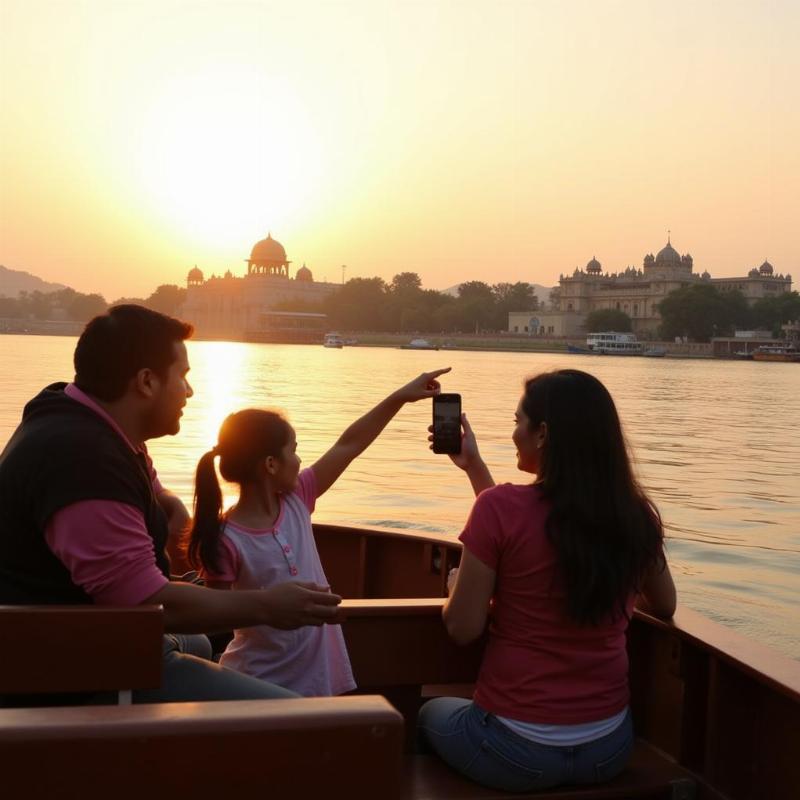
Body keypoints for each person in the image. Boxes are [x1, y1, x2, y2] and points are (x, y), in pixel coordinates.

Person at [0, 304, 342, 705]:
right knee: (310, 722)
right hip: (82, 670)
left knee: (197, 642)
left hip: (90, 638)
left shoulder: (83, 418)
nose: (190, 391)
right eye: (182, 377)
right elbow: (146, 602)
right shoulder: (81, 461)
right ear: (146, 382)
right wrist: (269, 605)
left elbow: (139, 484)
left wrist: (165, 501)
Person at [417, 369, 676, 793]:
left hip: (512, 752)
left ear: (543, 435)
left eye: (518, 422)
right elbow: (664, 606)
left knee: (427, 714)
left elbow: (463, 629)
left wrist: (456, 587)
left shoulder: (499, 509)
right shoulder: (634, 516)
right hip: (608, 750)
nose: (514, 433)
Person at [188, 368, 451, 696]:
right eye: (294, 449)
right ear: (271, 464)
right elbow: (217, 614)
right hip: (257, 681)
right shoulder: (227, 539)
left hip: (318, 678)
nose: (299, 460)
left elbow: (350, 443)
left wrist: (400, 397)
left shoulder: (298, 498)